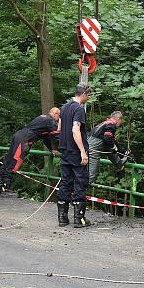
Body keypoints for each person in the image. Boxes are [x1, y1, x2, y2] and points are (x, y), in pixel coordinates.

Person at [0, 108, 60, 197]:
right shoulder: (49, 120)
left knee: (8, 161)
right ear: (55, 114)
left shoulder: (43, 119)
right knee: (15, 162)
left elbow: (46, 138)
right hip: (24, 139)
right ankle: (6, 189)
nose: (58, 118)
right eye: (59, 116)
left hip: (19, 136)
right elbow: (57, 132)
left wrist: (52, 149)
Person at [57, 84, 93, 227]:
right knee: (80, 182)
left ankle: (62, 218)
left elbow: (59, 128)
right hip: (76, 152)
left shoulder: (64, 108)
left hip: (65, 150)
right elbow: (75, 130)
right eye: (89, 95)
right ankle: (79, 219)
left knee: (66, 183)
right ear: (83, 94)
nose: (89, 98)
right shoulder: (79, 109)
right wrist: (83, 152)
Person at [88, 111, 125, 183]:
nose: (121, 123)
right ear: (118, 119)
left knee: (82, 172)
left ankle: (118, 163)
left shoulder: (104, 123)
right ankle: (77, 193)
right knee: (91, 175)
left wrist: (118, 149)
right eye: (121, 120)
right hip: (93, 148)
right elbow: (107, 139)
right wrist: (114, 147)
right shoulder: (112, 124)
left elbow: (108, 142)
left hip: (88, 145)